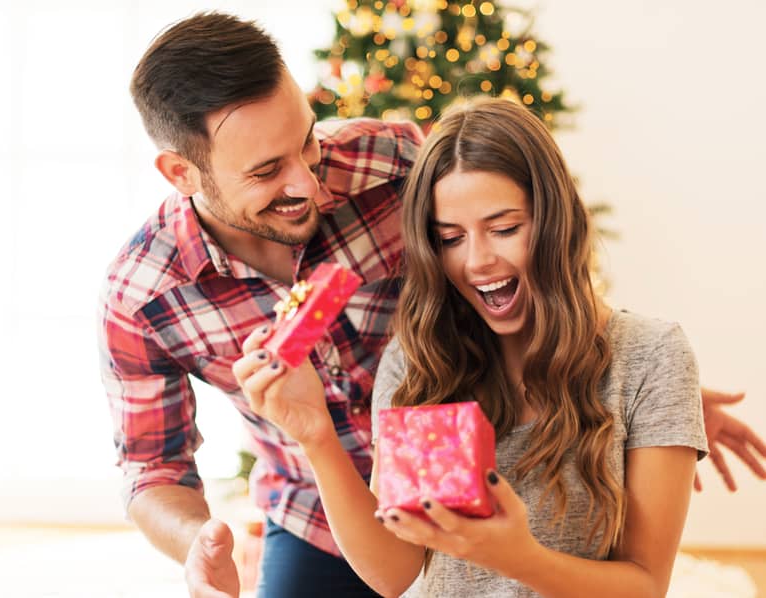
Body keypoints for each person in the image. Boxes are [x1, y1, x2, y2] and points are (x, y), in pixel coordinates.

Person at [98, 11, 766, 597]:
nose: (309, 181)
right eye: (268, 171)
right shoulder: (143, 295)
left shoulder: (391, 159)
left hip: (490, 454)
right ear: (181, 173)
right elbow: (152, 467)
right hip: (321, 508)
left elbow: (519, 236)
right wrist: (200, 541)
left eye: (306, 141)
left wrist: (635, 384)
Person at [233, 98, 707, 596]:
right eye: (451, 238)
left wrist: (518, 558)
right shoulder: (418, 362)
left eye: (504, 229)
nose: (477, 261)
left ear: (555, 221)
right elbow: (393, 573)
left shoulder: (652, 355)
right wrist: (316, 436)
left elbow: (646, 584)